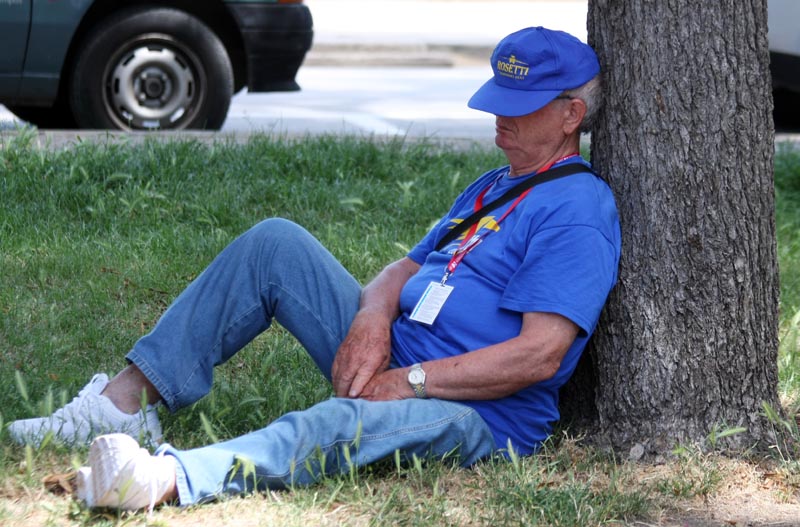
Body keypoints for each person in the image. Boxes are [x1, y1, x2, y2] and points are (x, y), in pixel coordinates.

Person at [8, 26, 621, 511]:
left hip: (477, 411)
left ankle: (161, 478)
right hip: (399, 352)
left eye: (521, 106)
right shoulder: (496, 183)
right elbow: (403, 268)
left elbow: (538, 355)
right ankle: (120, 405)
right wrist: (373, 319)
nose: (500, 118)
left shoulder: (576, 208)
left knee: (340, 424)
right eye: (498, 101)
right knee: (276, 243)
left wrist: (408, 383)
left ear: (571, 115)